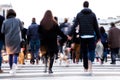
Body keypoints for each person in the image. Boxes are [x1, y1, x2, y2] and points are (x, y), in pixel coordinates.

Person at [69, 1, 100, 73]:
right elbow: (96, 26)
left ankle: (85, 67)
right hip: (91, 36)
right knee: (91, 50)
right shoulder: (93, 15)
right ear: (88, 5)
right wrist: (98, 36)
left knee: (84, 52)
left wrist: (70, 34)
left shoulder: (79, 15)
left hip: (82, 36)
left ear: (83, 6)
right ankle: (90, 64)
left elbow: (74, 25)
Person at [1, 9, 23, 74]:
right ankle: (14, 64)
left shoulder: (5, 21)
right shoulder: (18, 20)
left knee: (10, 54)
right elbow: (21, 28)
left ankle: (11, 68)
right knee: (16, 53)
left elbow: (2, 31)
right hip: (16, 39)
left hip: (8, 39)